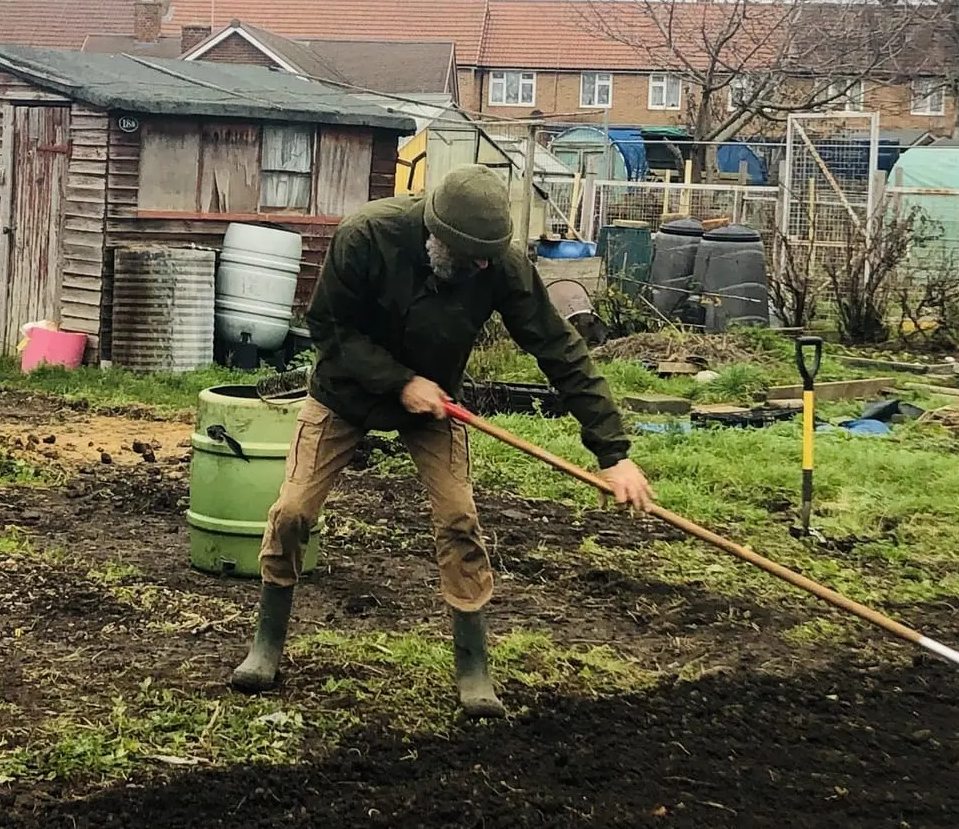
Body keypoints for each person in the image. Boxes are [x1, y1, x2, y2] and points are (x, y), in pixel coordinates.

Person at [229, 164, 653, 717]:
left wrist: (613, 453)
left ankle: (473, 668)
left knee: (459, 519)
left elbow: (559, 350)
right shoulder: (367, 235)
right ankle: (267, 644)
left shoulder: (499, 262)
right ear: (436, 234)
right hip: (346, 393)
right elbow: (331, 330)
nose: (480, 267)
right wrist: (399, 382)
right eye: (469, 256)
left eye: (487, 258)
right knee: (291, 512)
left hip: (436, 407)